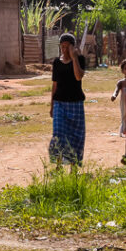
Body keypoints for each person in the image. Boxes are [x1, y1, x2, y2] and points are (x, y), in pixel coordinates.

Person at [49, 32, 86, 165]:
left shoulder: (80, 59)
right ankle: (58, 166)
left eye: (67, 47)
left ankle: (74, 168)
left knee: (75, 136)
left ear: (73, 47)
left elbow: (78, 76)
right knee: (58, 134)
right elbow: (54, 85)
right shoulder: (56, 63)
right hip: (60, 103)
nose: (64, 50)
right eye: (62, 47)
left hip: (75, 104)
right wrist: (52, 105)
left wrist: (74, 57)